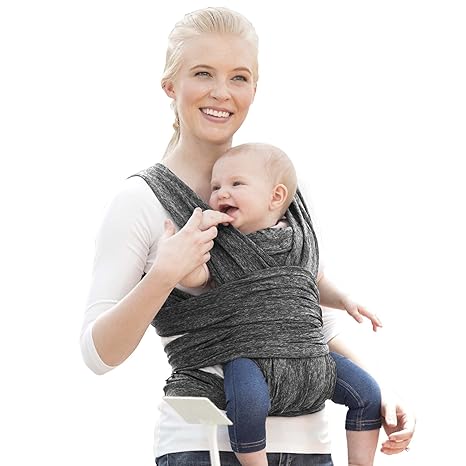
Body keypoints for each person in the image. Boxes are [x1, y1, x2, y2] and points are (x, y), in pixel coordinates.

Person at [80, 7, 416, 466]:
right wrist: (162, 276)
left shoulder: (287, 190)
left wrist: (379, 392)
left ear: (254, 89)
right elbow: (97, 355)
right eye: (203, 73)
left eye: (238, 77)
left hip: (309, 447)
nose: (221, 92)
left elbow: (300, 319)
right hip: (205, 446)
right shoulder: (141, 201)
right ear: (170, 86)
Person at [178, 142, 383, 466]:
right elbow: (198, 278)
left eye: (236, 184)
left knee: (368, 393)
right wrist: (181, 254)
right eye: (215, 187)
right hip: (249, 353)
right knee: (247, 404)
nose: (220, 193)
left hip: (308, 354)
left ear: (275, 197)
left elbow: (313, 280)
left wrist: (345, 300)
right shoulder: (221, 242)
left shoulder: (300, 238)